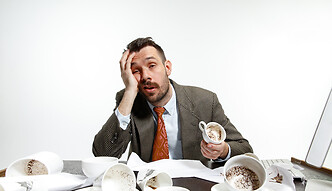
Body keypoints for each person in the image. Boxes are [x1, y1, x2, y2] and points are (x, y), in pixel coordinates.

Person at [92, 37, 253, 165]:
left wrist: (223, 150)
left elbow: (245, 148)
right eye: (136, 71)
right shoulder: (129, 101)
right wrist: (129, 92)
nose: (146, 76)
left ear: (167, 67)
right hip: (147, 189)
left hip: (193, 187)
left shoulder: (205, 101)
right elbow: (102, 155)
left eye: (152, 65)